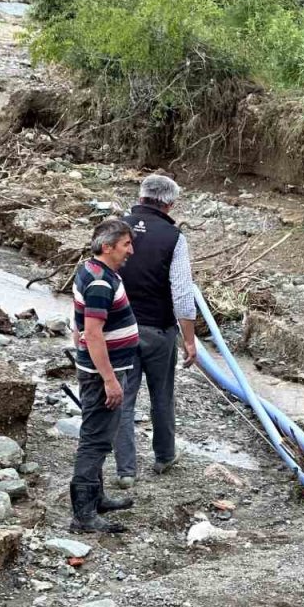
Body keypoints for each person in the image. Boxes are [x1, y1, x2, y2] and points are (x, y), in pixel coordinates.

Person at [113, 174, 198, 489]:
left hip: (119, 329)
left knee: (123, 397)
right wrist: (189, 340)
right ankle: (164, 457)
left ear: (140, 196)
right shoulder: (174, 237)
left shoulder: (116, 229)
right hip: (158, 331)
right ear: (170, 203)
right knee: (161, 396)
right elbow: (182, 295)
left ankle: (125, 471)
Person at [70, 218, 139, 533]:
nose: (131, 251)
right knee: (95, 440)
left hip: (96, 368)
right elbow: (94, 334)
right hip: (103, 374)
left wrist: (82, 352)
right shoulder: (100, 283)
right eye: (126, 244)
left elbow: (79, 325)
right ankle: (84, 514)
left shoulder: (90, 270)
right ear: (107, 246)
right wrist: (109, 379)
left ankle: (96, 498)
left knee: (99, 435)